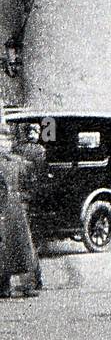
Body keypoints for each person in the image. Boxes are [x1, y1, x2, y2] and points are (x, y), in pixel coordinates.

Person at [0, 128, 41, 299]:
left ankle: (5, 286)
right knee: (22, 245)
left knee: (7, 247)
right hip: (16, 206)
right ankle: (30, 283)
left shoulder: (14, 162)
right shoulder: (19, 162)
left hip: (6, 207)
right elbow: (31, 183)